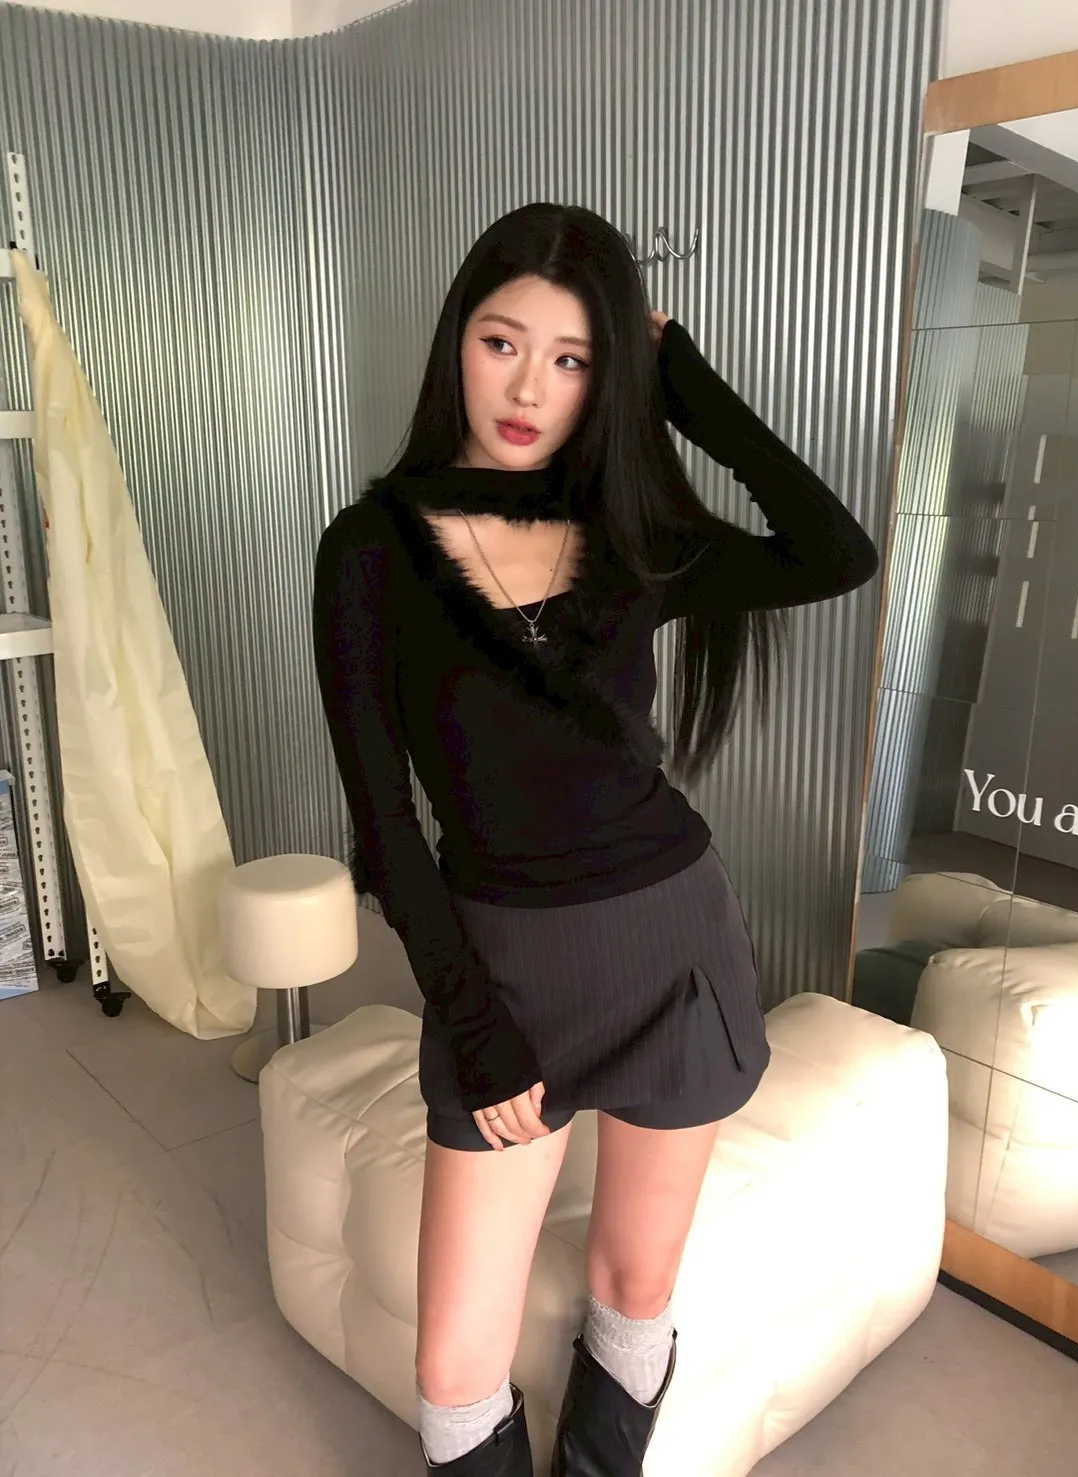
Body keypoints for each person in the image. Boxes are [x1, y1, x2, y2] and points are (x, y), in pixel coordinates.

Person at [312, 202, 879, 1476]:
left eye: (573, 358)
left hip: (668, 938)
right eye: (502, 342)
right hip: (500, 967)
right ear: (456, 341)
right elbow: (382, 825)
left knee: (635, 1283)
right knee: (454, 1366)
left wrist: (683, 386)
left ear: (606, 374)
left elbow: (834, 552)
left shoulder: (632, 534)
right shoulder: (368, 550)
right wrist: (472, 1020)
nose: (528, 388)